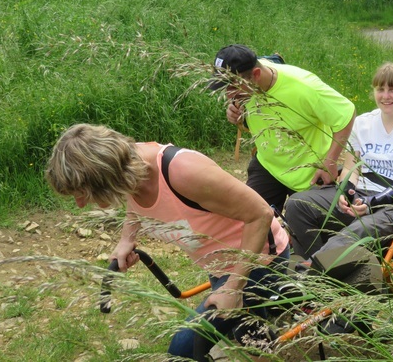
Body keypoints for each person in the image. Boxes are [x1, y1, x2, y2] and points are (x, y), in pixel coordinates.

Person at [45, 124, 290, 360]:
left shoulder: (183, 171)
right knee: (250, 329)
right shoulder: (130, 168)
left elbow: (260, 214)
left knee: (185, 349)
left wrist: (234, 286)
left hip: (259, 259)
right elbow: (134, 198)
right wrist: (126, 238)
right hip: (218, 265)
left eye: (82, 194)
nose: (79, 205)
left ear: (105, 177)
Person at [285, 63, 393, 264]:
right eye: (380, 89)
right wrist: (346, 193)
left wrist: (373, 203)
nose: (386, 96)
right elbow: (350, 168)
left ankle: (312, 270)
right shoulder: (363, 123)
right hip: (360, 195)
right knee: (298, 204)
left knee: (358, 229)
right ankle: (324, 267)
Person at [208, 44, 356, 214]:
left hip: (308, 174)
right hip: (267, 165)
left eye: (232, 87)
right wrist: (238, 117)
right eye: (224, 88)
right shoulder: (248, 81)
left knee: (304, 234)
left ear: (256, 75)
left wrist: (330, 161)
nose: (228, 94)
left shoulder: (304, 87)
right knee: (247, 218)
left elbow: (347, 113)